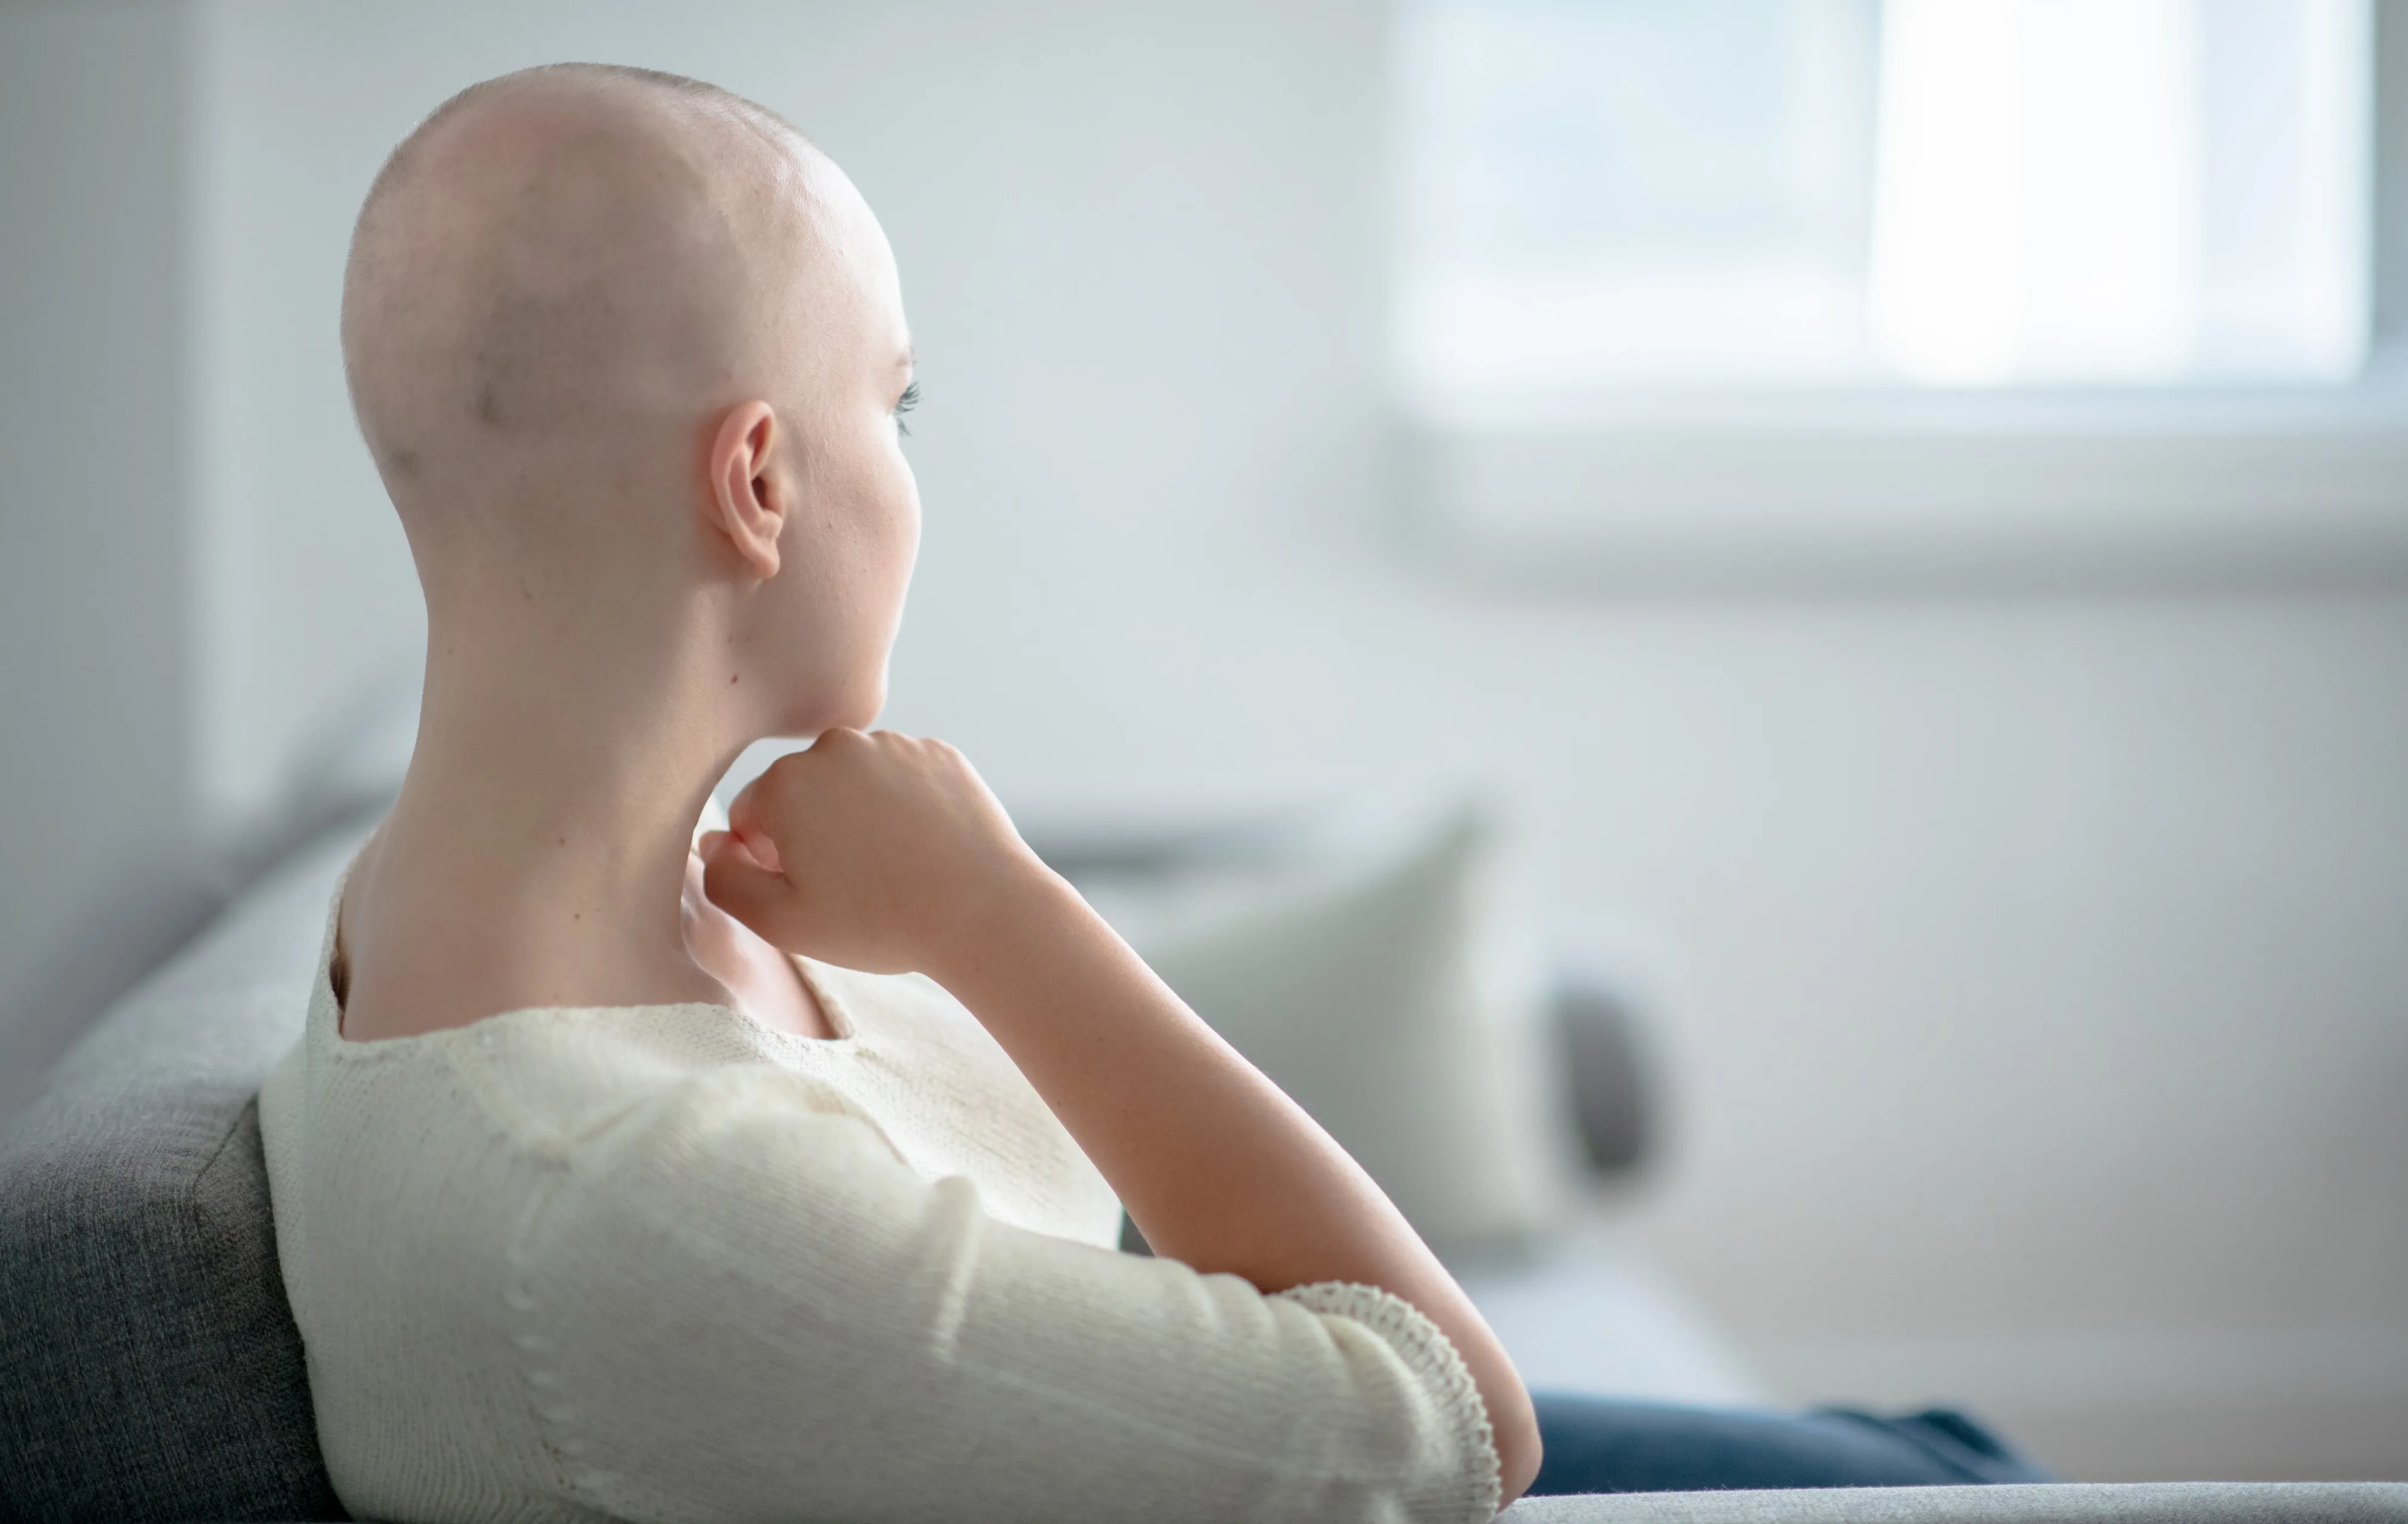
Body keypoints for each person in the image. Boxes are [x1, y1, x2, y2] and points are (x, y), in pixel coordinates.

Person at [258, 63, 2047, 1524]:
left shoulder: (465, 894)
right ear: (759, 480)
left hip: (1160, 1403)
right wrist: (1000, 919)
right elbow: (1452, 1423)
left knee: (1945, 1450)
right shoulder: (636, 1212)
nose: (915, 469)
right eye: (899, 399)